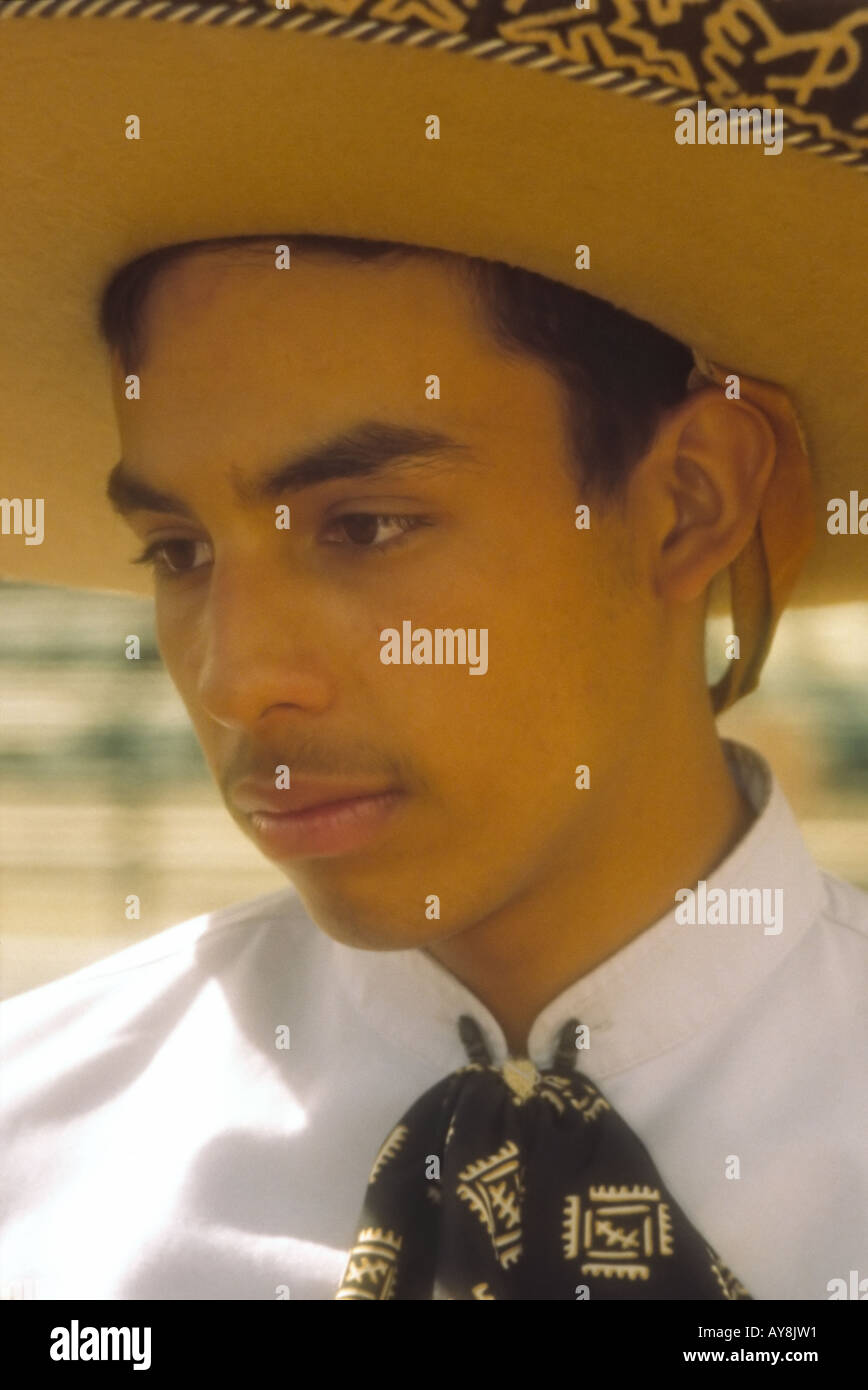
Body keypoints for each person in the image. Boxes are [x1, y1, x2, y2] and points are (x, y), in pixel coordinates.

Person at [0, 2, 866, 1303]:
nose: (238, 681)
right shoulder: (35, 1159)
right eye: (178, 551)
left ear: (690, 499)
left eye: (367, 525)